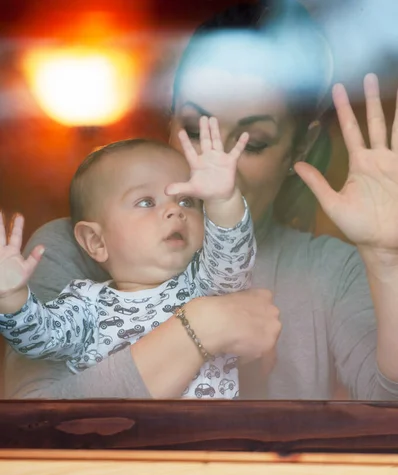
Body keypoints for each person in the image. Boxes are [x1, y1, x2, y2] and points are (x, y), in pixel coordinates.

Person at [4, 0, 398, 400]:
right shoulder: (69, 249)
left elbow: (390, 403)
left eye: (253, 142)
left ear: (301, 146)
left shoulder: (329, 270)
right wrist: (204, 325)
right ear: (169, 120)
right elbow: (32, 417)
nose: (218, 163)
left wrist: (387, 261)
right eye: (195, 130)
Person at [0, 117, 260, 399]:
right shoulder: (87, 305)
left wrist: (223, 200)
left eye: (187, 201)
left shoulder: (204, 284)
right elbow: (41, 340)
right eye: (146, 202)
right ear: (96, 241)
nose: (175, 211)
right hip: (121, 440)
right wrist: (12, 296)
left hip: (208, 440)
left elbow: (232, 259)